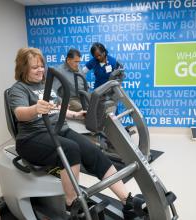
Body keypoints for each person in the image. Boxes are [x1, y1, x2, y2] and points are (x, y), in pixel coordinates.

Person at [9, 47, 139, 219]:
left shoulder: (44, 84)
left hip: (57, 130)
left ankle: (126, 201)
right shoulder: (19, 89)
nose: (40, 70)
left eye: (41, 66)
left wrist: (76, 114)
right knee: (71, 149)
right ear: (23, 68)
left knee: (93, 151)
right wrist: (35, 108)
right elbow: (19, 113)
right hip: (32, 137)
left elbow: (57, 108)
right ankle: (72, 204)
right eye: (35, 67)